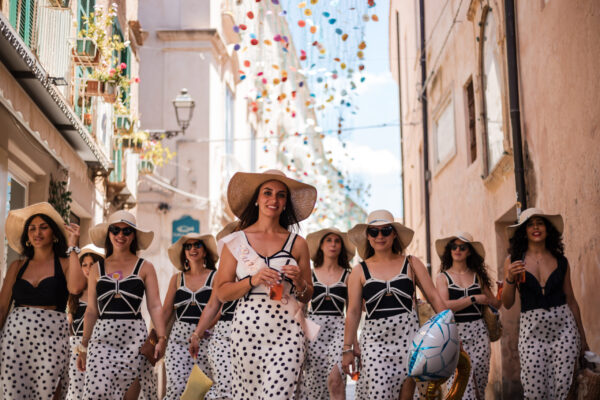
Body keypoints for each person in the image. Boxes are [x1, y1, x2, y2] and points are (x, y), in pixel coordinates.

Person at [214, 169, 317, 400]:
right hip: (247, 330)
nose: (274, 199)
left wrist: (299, 281)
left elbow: (307, 294)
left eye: (281, 195)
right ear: (257, 200)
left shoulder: (298, 244)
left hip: (288, 331)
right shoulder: (235, 241)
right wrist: (253, 280)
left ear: (285, 203)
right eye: (267, 193)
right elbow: (221, 292)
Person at [342, 210, 447, 400]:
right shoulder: (358, 271)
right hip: (374, 344)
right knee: (379, 394)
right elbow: (354, 311)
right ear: (368, 236)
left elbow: (433, 296)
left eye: (386, 230)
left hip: (409, 341)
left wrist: (451, 330)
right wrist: (347, 348)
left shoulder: (412, 263)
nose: (380, 236)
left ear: (394, 234)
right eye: (374, 232)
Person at [0, 202, 86, 398]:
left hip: (52, 340)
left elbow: (76, 287)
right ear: (27, 236)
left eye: (43, 227)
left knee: (49, 392)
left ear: (54, 233)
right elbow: (2, 308)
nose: (37, 233)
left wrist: (73, 247)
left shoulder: (65, 263)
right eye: (32, 228)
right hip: (15, 340)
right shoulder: (17, 266)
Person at [77, 210, 165, 399]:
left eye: (127, 231)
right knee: (97, 393)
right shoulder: (96, 268)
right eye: (115, 230)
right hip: (102, 339)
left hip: (134, 339)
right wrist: (83, 346)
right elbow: (91, 310)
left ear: (134, 235)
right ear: (109, 233)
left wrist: (162, 337)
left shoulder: (145, 267)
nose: (120, 235)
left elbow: (155, 306)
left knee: (129, 397)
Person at [502, 208, 588, 399]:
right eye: (530, 225)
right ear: (524, 231)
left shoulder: (561, 260)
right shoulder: (513, 261)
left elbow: (571, 300)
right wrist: (509, 277)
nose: (536, 228)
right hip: (532, 333)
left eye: (540, 223)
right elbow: (507, 303)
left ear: (548, 229)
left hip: (564, 330)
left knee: (564, 388)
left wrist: (583, 339)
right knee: (534, 391)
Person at [435, 232, 501, 400]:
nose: (457, 250)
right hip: (454, 334)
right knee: (460, 386)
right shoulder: (443, 277)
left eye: (462, 247)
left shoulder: (478, 276)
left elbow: (495, 303)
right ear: (449, 250)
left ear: (469, 251)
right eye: (454, 246)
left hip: (479, 333)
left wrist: (505, 286)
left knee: (480, 384)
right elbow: (444, 307)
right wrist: (473, 298)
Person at [300, 227, 356, 400]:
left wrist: (354, 344)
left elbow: (352, 311)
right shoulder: (309, 274)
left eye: (337, 241)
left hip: (339, 328)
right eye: (329, 240)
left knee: (335, 379)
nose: (333, 244)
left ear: (341, 247)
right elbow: (301, 308)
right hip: (313, 328)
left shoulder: (349, 275)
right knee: (314, 385)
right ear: (321, 246)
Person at [162, 232, 219, 399]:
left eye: (197, 245)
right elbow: (166, 311)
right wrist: (158, 337)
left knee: (203, 390)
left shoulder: (215, 277)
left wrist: (202, 331)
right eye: (188, 246)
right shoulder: (176, 279)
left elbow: (219, 308)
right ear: (184, 253)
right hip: (178, 340)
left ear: (205, 251)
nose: (192, 249)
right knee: (176, 389)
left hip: (207, 339)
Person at [189, 221, 240, 400]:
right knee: (224, 392)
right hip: (224, 336)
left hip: (256, 335)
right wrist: (197, 334)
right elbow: (213, 305)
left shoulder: (263, 268)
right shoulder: (222, 274)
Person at [66, 244, 105, 400]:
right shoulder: (75, 293)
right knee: (76, 391)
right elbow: (69, 323)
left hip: (98, 346)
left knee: (96, 391)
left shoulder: (105, 293)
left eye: (92, 264)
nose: (88, 269)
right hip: (76, 347)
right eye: (84, 265)